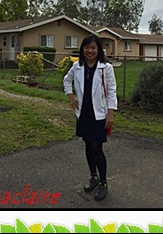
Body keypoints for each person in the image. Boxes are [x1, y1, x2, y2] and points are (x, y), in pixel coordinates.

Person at [63, 35, 117, 201]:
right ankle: (93, 177)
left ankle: (103, 182)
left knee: (97, 148)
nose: (90, 51)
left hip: (99, 115)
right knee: (87, 145)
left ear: (98, 49)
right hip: (83, 114)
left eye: (93, 47)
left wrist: (110, 113)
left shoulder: (105, 68)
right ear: (82, 50)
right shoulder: (77, 66)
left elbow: (112, 90)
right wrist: (71, 98)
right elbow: (66, 80)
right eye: (87, 47)